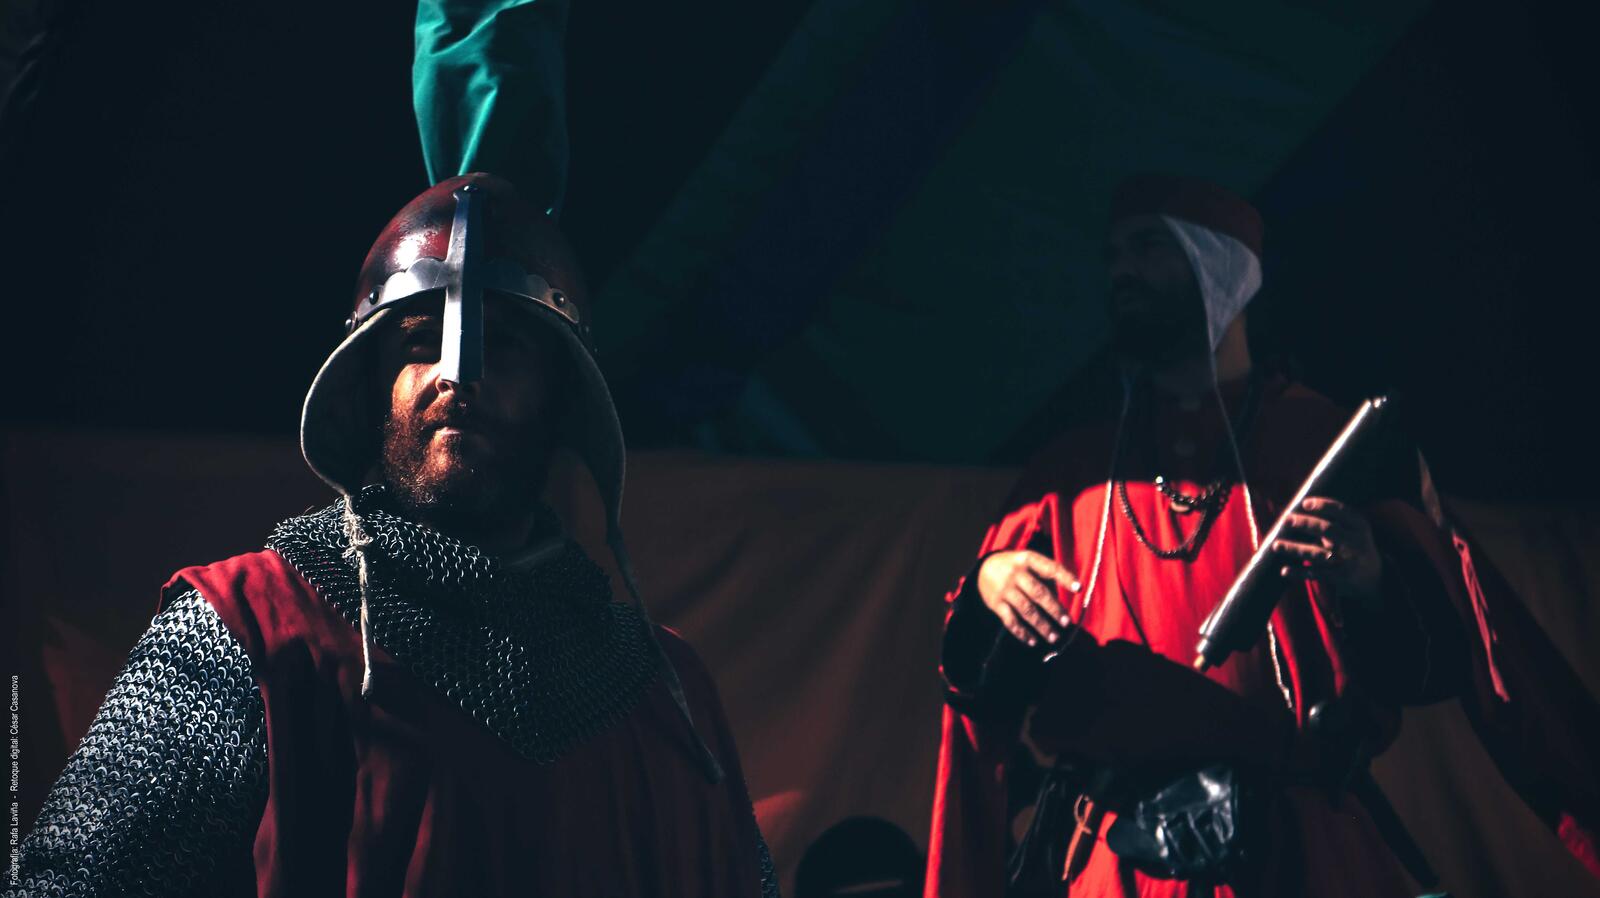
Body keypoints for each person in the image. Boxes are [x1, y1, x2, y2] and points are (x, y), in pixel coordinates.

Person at [9, 173, 778, 898]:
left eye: (503, 344)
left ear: (562, 398)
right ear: (368, 384)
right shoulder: (250, 631)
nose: (456, 371)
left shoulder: (667, 693)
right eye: (417, 339)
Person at [923, 174, 1476, 897]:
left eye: (1149, 246)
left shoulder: (1326, 442)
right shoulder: (1073, 471)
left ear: (1220, 267)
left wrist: (1371, 576)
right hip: (1121, 865)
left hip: (1303, 855)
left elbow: (1436, 660)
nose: (1122, 270)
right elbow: (983, 695)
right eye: (1114, 253)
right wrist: (989, 589)